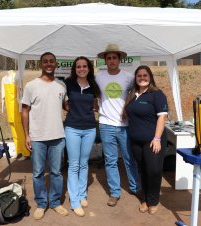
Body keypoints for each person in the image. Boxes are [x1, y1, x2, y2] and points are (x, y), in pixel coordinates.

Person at [21, 52, 69, 220]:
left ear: (56, 64)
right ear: (41, 64)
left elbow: (66, 106)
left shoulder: (61, 85)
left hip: (57, 137)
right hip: (37, 137)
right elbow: (25, 111)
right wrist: (27, 135)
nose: (49, 64)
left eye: (51, 61)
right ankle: (42, 203)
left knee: (56, 172)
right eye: (45, 62)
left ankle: (55, 202)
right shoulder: (31, 86)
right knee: (38, 173)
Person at [95, 43, 140, 207]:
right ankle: (115, 192)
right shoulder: (98, 77)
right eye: (109, 58)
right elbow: (94, 94)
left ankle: (135, 188)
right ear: (105, 61)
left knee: (129, 159)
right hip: (106, 124)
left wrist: (128, 108)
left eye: (115, 57)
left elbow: (136, 94)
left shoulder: (129, 77)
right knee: (111, 161)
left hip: (124, 125)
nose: (112, 60)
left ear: (119, 59)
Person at [124, 65, 168, 214]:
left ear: (150, 77)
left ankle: (153, 200)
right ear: (135, 79)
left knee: (154, 170)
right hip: (135, 140)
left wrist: (157, 138)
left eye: (145, 75)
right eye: (139, 76)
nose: (142, 78)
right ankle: (144, 199)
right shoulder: (132, 94)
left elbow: (162, 117)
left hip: (153, 140)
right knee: (142, 169)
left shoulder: (157, 94)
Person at [64, 56, 100, 217]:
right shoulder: (68, 84)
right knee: (74, 164)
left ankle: (81, 194)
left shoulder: (93, 85)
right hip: (72, 128)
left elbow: (96, 105)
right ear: (75, 69)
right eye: (78, 66)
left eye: (84, 66)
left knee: (84, 163)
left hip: (90, 129)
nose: (82, 69)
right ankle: (74, 201)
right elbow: (63, 103)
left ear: (89, 68)